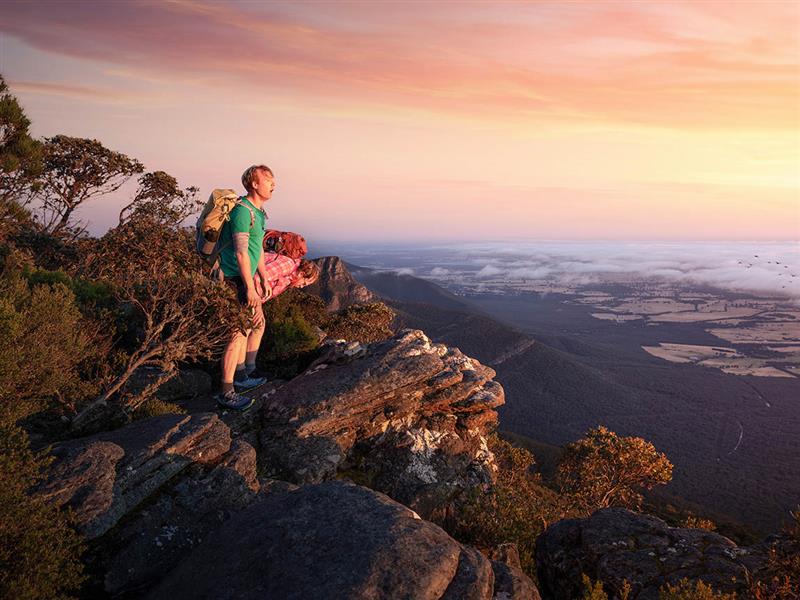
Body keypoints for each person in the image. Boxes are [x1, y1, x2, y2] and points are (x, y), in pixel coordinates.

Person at [215, 164, 276, 410]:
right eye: (267, 179)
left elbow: (256, 248)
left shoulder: (258, 213)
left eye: (273, 179)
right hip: (232, 279)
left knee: (249, 327)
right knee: (237, 334)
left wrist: (263, 277)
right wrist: (250, 288)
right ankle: (226, 392)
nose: (273, 183)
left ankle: (241, 377)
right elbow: (241, 252)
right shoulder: (242, 211)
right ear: (254, 183)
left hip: (245, 279)